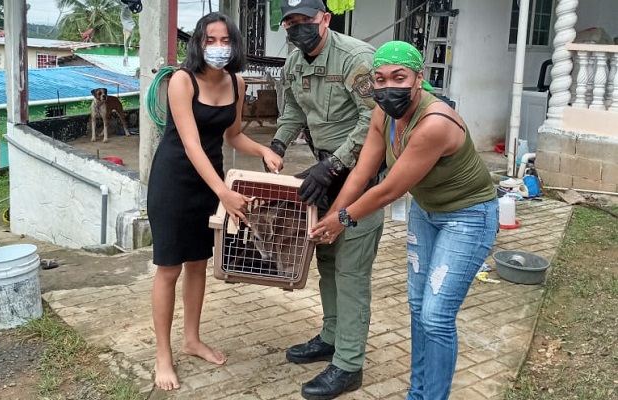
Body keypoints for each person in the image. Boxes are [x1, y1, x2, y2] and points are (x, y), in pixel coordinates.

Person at [310, 41, 499, 400]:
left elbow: (389, 191)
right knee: (417, 309)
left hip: (468, 217)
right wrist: (335, 212)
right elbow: (363, 169)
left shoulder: (434, 123)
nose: (388, 86)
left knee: (436, 316)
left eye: (399, 77)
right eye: (379, 79)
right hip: (427, 215)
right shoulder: (383, 113)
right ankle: (418, 393)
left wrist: (342, 221)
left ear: (418, 79)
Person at [146, 12, 282, 391]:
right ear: (198, 44)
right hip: (174, 181)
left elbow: (233, 134)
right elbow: (190, 143)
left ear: (234, 45)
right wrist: (224, 191)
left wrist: (263, 151)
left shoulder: (236, 82)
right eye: (210, 40)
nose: (218, 47)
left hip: (210, 182)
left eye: (225, 40)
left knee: (198, 264)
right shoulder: (181, 81)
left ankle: (191, 340)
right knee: (169, 267)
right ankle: (163, 354)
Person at [266, 1, 385, 399]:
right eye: (290, 23)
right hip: (325, 174)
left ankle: (349, 365)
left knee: (351, 270)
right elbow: (294, 111)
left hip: (360, 175)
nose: (297, 29)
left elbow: (374, 121)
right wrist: (279, 142)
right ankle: (332, 337)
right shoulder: (294, 65)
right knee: (327, 261)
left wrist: (333, 165)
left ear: (325, 19)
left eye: (304, 21)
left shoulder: (356, 58)